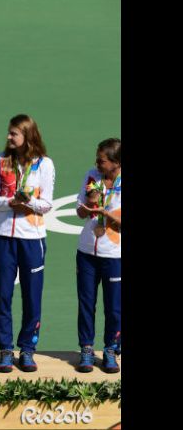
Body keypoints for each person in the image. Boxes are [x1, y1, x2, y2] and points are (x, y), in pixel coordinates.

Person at [0, 114, 55, 372]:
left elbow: (46, 204)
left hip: (32, 239)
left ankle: (27, 349)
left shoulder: (44, 165)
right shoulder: (0, 161)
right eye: (9, 132)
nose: (8, 137)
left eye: (14, 133)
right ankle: (5, 349)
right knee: (2, 295)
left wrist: (28, 202)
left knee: (32, 296)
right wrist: (10, 203)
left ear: (27, 135)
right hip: (3, 237)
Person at [75, 138, 121, 373]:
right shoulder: (91, 176)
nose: (97, 163)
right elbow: (79, 212)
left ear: (116, 162)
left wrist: (105, 212)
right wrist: (87, 207)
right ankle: (86, 349)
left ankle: (111, 349)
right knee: (86, 304)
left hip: (115, 255)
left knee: (114, 307)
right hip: (86, 252)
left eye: (102, 160)